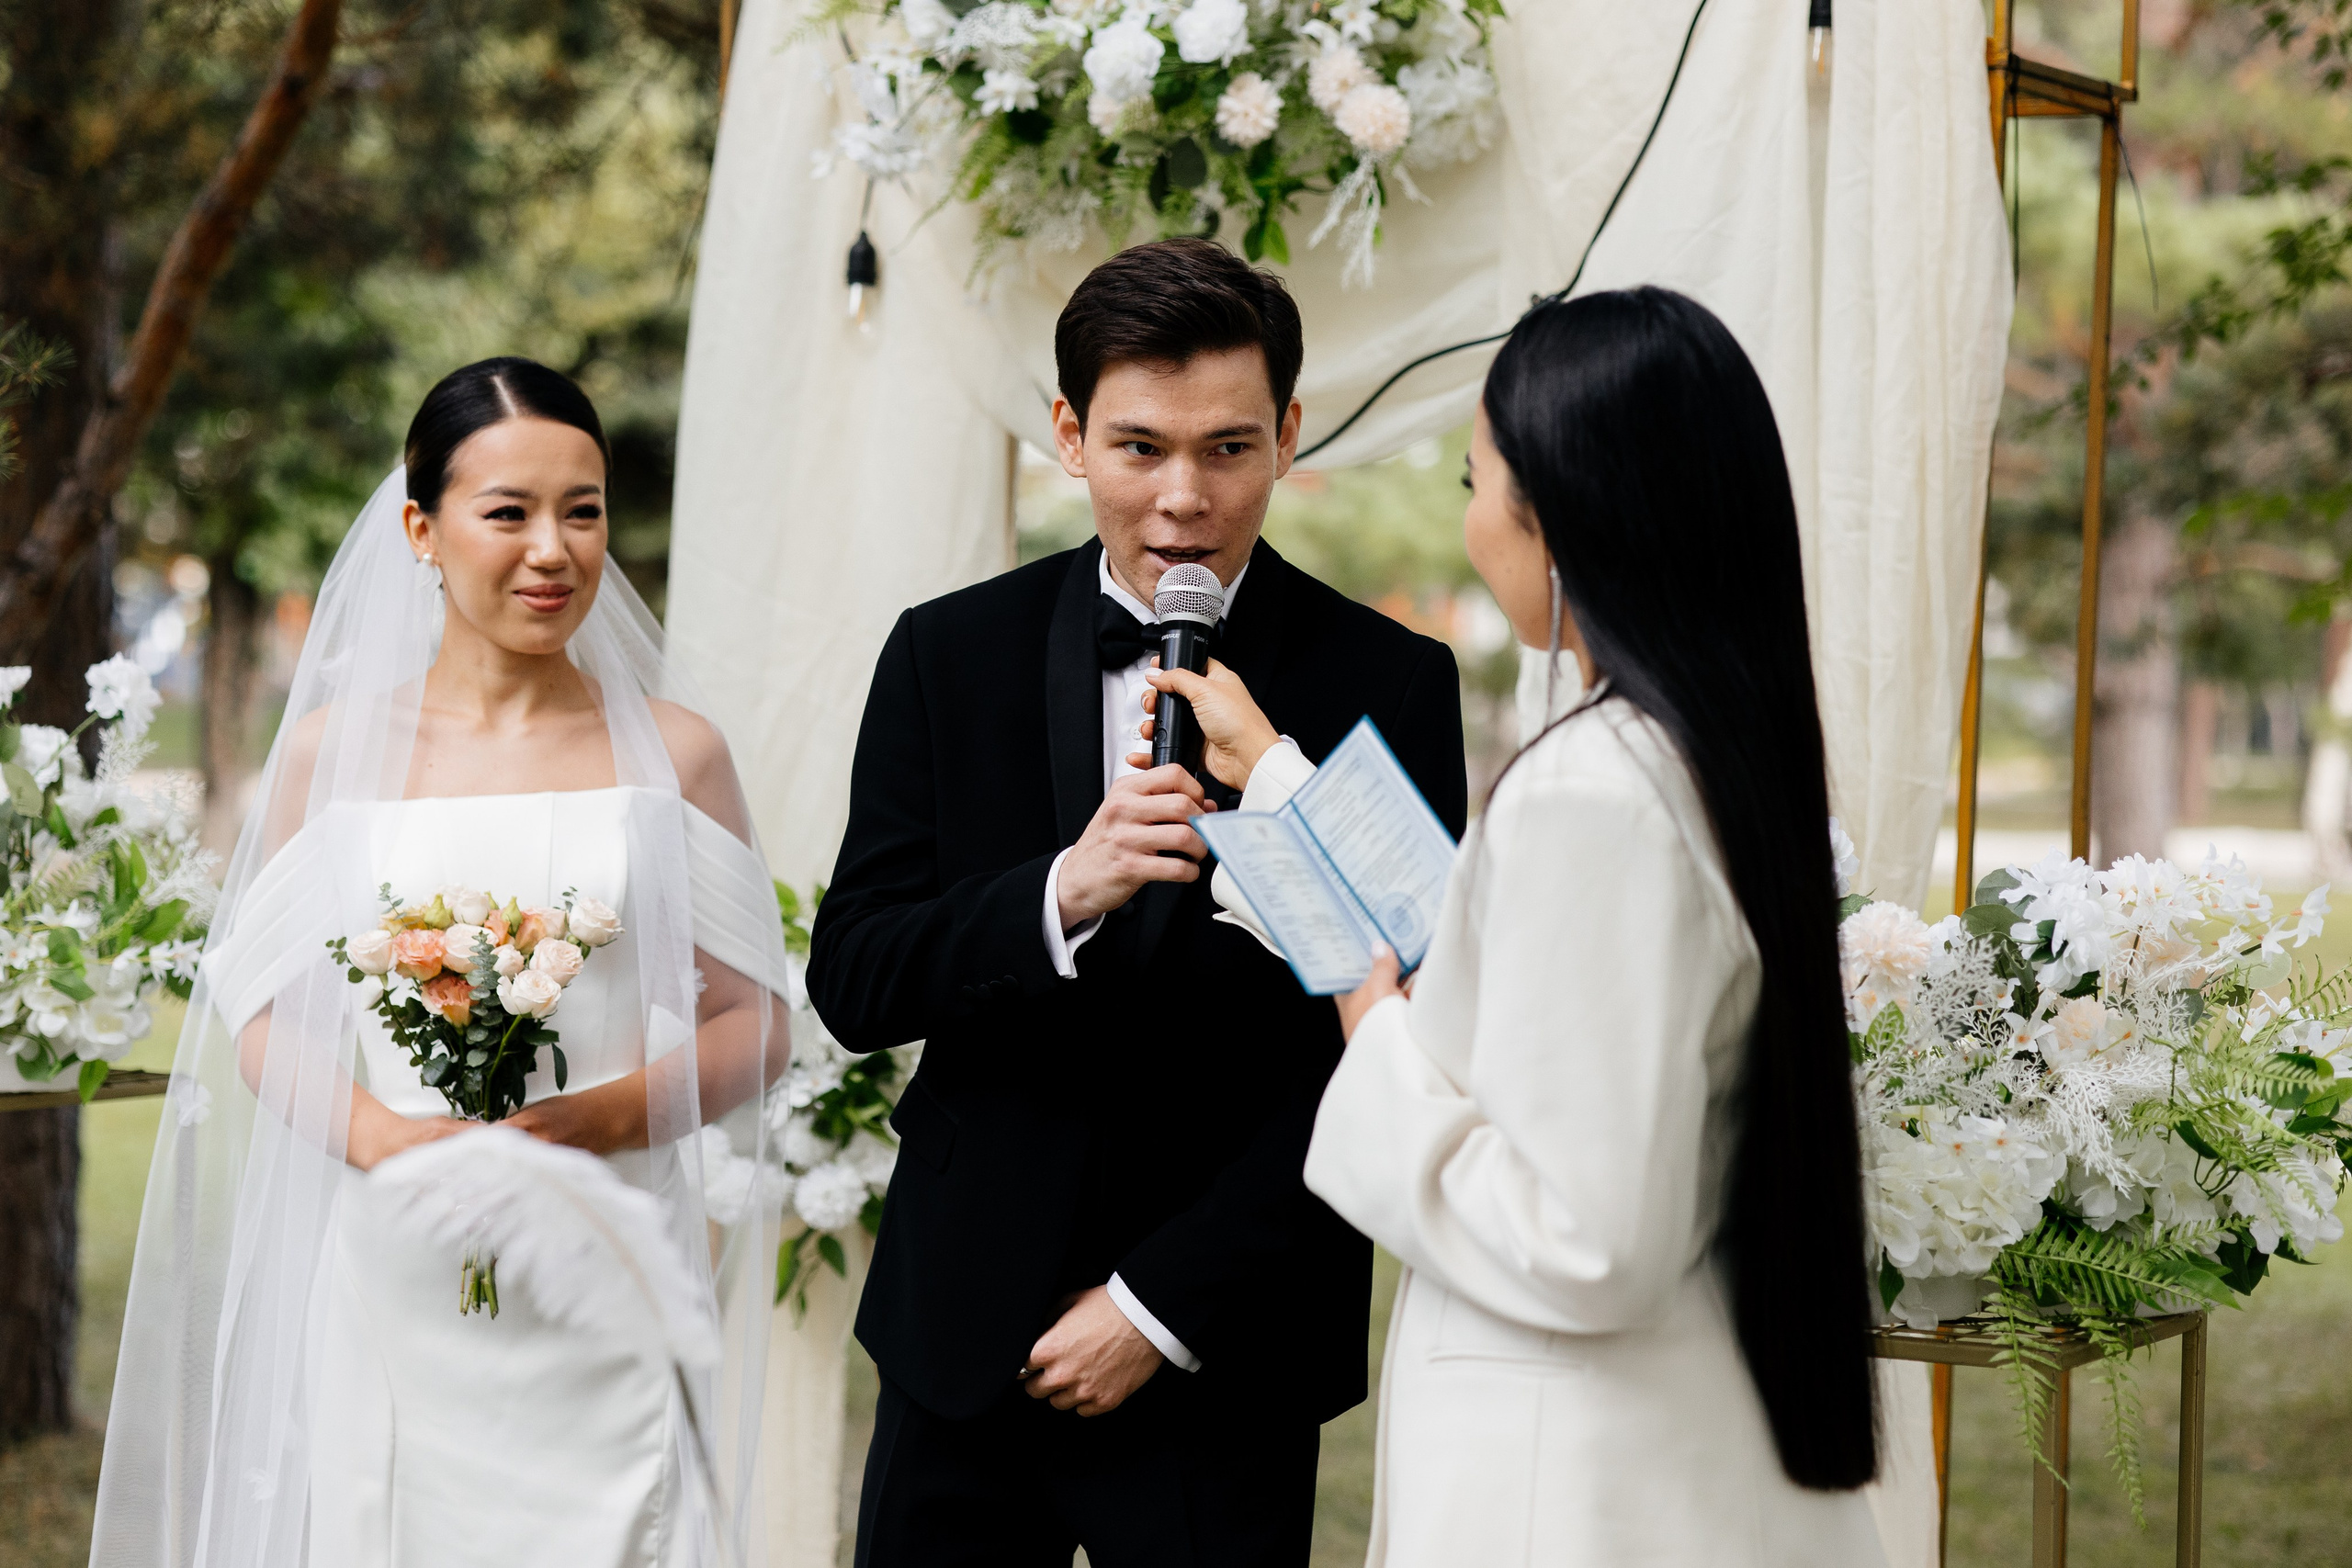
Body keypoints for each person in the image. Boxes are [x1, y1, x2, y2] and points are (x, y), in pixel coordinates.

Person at [1152, 288, 1887, 1566]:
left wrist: (1374, 1031)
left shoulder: (1589, 792)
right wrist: (1275, 773)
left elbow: (1589, 1236)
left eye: (1476, 479)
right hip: (1679, 1422)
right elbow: (1538, 988)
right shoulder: (1711, 751)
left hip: (1571, 1473)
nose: (1470, 515)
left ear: (1561, 516)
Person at [807, 238, 1468, 1566]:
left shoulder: (1388, 679)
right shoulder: (948, 653)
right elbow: (858, 980)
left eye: (1229, 449)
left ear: (1289, 434)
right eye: (1140, 448)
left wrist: (1160, 1306)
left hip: (1224, 1349)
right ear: (1068, 434)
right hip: (962, 1336)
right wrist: (1062, 889)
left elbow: (1396, 1036)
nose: (1184, 500)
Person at [87, 358, 793, 1568]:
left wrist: (598, 1120)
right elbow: (262, 1013)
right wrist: (380, 1138)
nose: (554, 550)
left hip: (603, 1278)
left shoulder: (675, 754)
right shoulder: (330, 756)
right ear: (423, 528)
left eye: (583, 510)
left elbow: (756, 1024)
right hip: (398, 1276)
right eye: (508, 512)